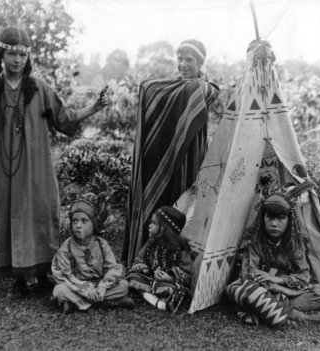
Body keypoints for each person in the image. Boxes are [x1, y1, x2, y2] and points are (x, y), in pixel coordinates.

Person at [0, 27, 108, 294]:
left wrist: (94, 107)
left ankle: (44, 274)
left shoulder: (39, 88)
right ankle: (20, 278)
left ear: (27, 57)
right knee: (7, 215)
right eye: (11, 53)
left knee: (43, 210)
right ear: (2, 55)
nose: (17, 60)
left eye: (22, 54)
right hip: (2, 167)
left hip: (37, 167)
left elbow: (64, 117)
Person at [122, 39, 219, 266]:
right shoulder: (172, 87)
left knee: (184, 208)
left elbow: (201, 90)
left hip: (190, 159)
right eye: (180, 59)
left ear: (200, 62)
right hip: (163, 162)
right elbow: (149, 88)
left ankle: (179, 263)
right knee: (160, 205)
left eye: (189, 60)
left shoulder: (204, 88)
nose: (183, 64)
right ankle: (149, 258)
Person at [225, 193, 320, 327]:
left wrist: (278, 282)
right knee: (238, 289)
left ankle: (275, 311)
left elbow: (304, 276)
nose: (274, 224)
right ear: (262, 218)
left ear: (289, 220)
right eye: (269, 217)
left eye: (281, 218)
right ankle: (300, 316)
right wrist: (270, 282)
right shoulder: (255, 243)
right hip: (264, 291)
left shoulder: (295, 244)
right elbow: (249, 274)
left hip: (289, 293)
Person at [51, 193, 133, 312]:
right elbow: (64, 276)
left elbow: (114, 268)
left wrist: (102, 286)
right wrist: (85, 289)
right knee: (59, 290)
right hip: (77, 286)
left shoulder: (101, 244)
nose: (78, 226)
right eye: (75, 221)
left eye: (84, 221)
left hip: (99, 284)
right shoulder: (66, 247)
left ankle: (77, 304)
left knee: (123, 285)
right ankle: (106, 303)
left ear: (93, 224)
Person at [127, 206, 193, 312]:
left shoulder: (180, 250)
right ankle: (157, 301)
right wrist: (143, 267)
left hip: (168, 284)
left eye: (153, 223)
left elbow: (188, 274)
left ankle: (153, 297)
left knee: (175, 290)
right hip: (151, 279)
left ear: (164, 228)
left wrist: (171, 277)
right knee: (132, 277)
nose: (149, 225)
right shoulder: (151, 243)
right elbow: (140, 258)